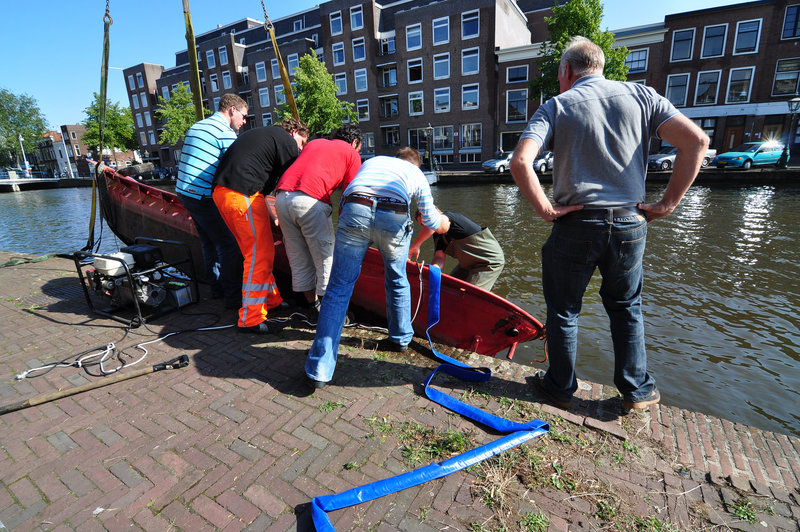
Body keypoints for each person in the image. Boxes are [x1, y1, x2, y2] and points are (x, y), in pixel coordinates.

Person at [510, 36, 708, 411]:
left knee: (564, 309)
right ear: (600, 66)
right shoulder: (644, 96)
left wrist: (546, 210)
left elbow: (521, 162)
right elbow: (696, 141)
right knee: (625, 306)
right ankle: (638, 391)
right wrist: (667, 203)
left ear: (567, 70)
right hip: (631, 221)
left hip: (577, 223)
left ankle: (559, 386)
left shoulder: (557, 106)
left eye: (559, 74)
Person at [304, 148, 451, 388]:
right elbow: (432, 221)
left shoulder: (373, 162)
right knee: (396, 278)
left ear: (395, 159)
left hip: (355, 209)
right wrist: (445, 223)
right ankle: (400, 338)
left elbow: (346, 197)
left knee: (339, 288)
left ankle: (320, 369)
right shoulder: (416, 174)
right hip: (393, 216)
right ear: (417, 165)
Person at [212, 118, 310, 334]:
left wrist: (272, 215)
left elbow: (263, 192)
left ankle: (272, 300)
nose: (300, 149)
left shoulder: (264, 136)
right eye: (302, 142)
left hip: (225, 194)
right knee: (259, 256)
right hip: (242, 195)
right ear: (294, 132)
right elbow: (291, 182)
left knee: (256, 252)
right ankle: (250, 318)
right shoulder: (286, 141)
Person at [274, 124, 363, 315]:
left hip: (281, 198)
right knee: (325, 259)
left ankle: (312, 308)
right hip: (310, 201)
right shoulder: (352, 153)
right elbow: (350, 194)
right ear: (355, 142)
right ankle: (330, 314)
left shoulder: (314, 143)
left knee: (298, 258)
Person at [175, 93, 247, 308]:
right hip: (202, 195)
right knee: (229, 244)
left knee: (208, 241)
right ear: (232, 110)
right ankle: (233, 298)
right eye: (243, 116)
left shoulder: (197, 126)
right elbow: (236, 169)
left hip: (184, 191)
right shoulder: (224, 133)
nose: (244, 122)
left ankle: (215, 288)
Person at [408, 210, 504, 291]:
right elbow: (439, 257)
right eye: (422, 225)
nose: (425, 226)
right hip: (466, 264)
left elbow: (437, 223)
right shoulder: (438, 235)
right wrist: (432, 273)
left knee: (468, 295)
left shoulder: (449, 218)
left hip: (489, 263)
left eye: (426, 222)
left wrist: (415, 246)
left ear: (435, 214)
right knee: (448, 289)